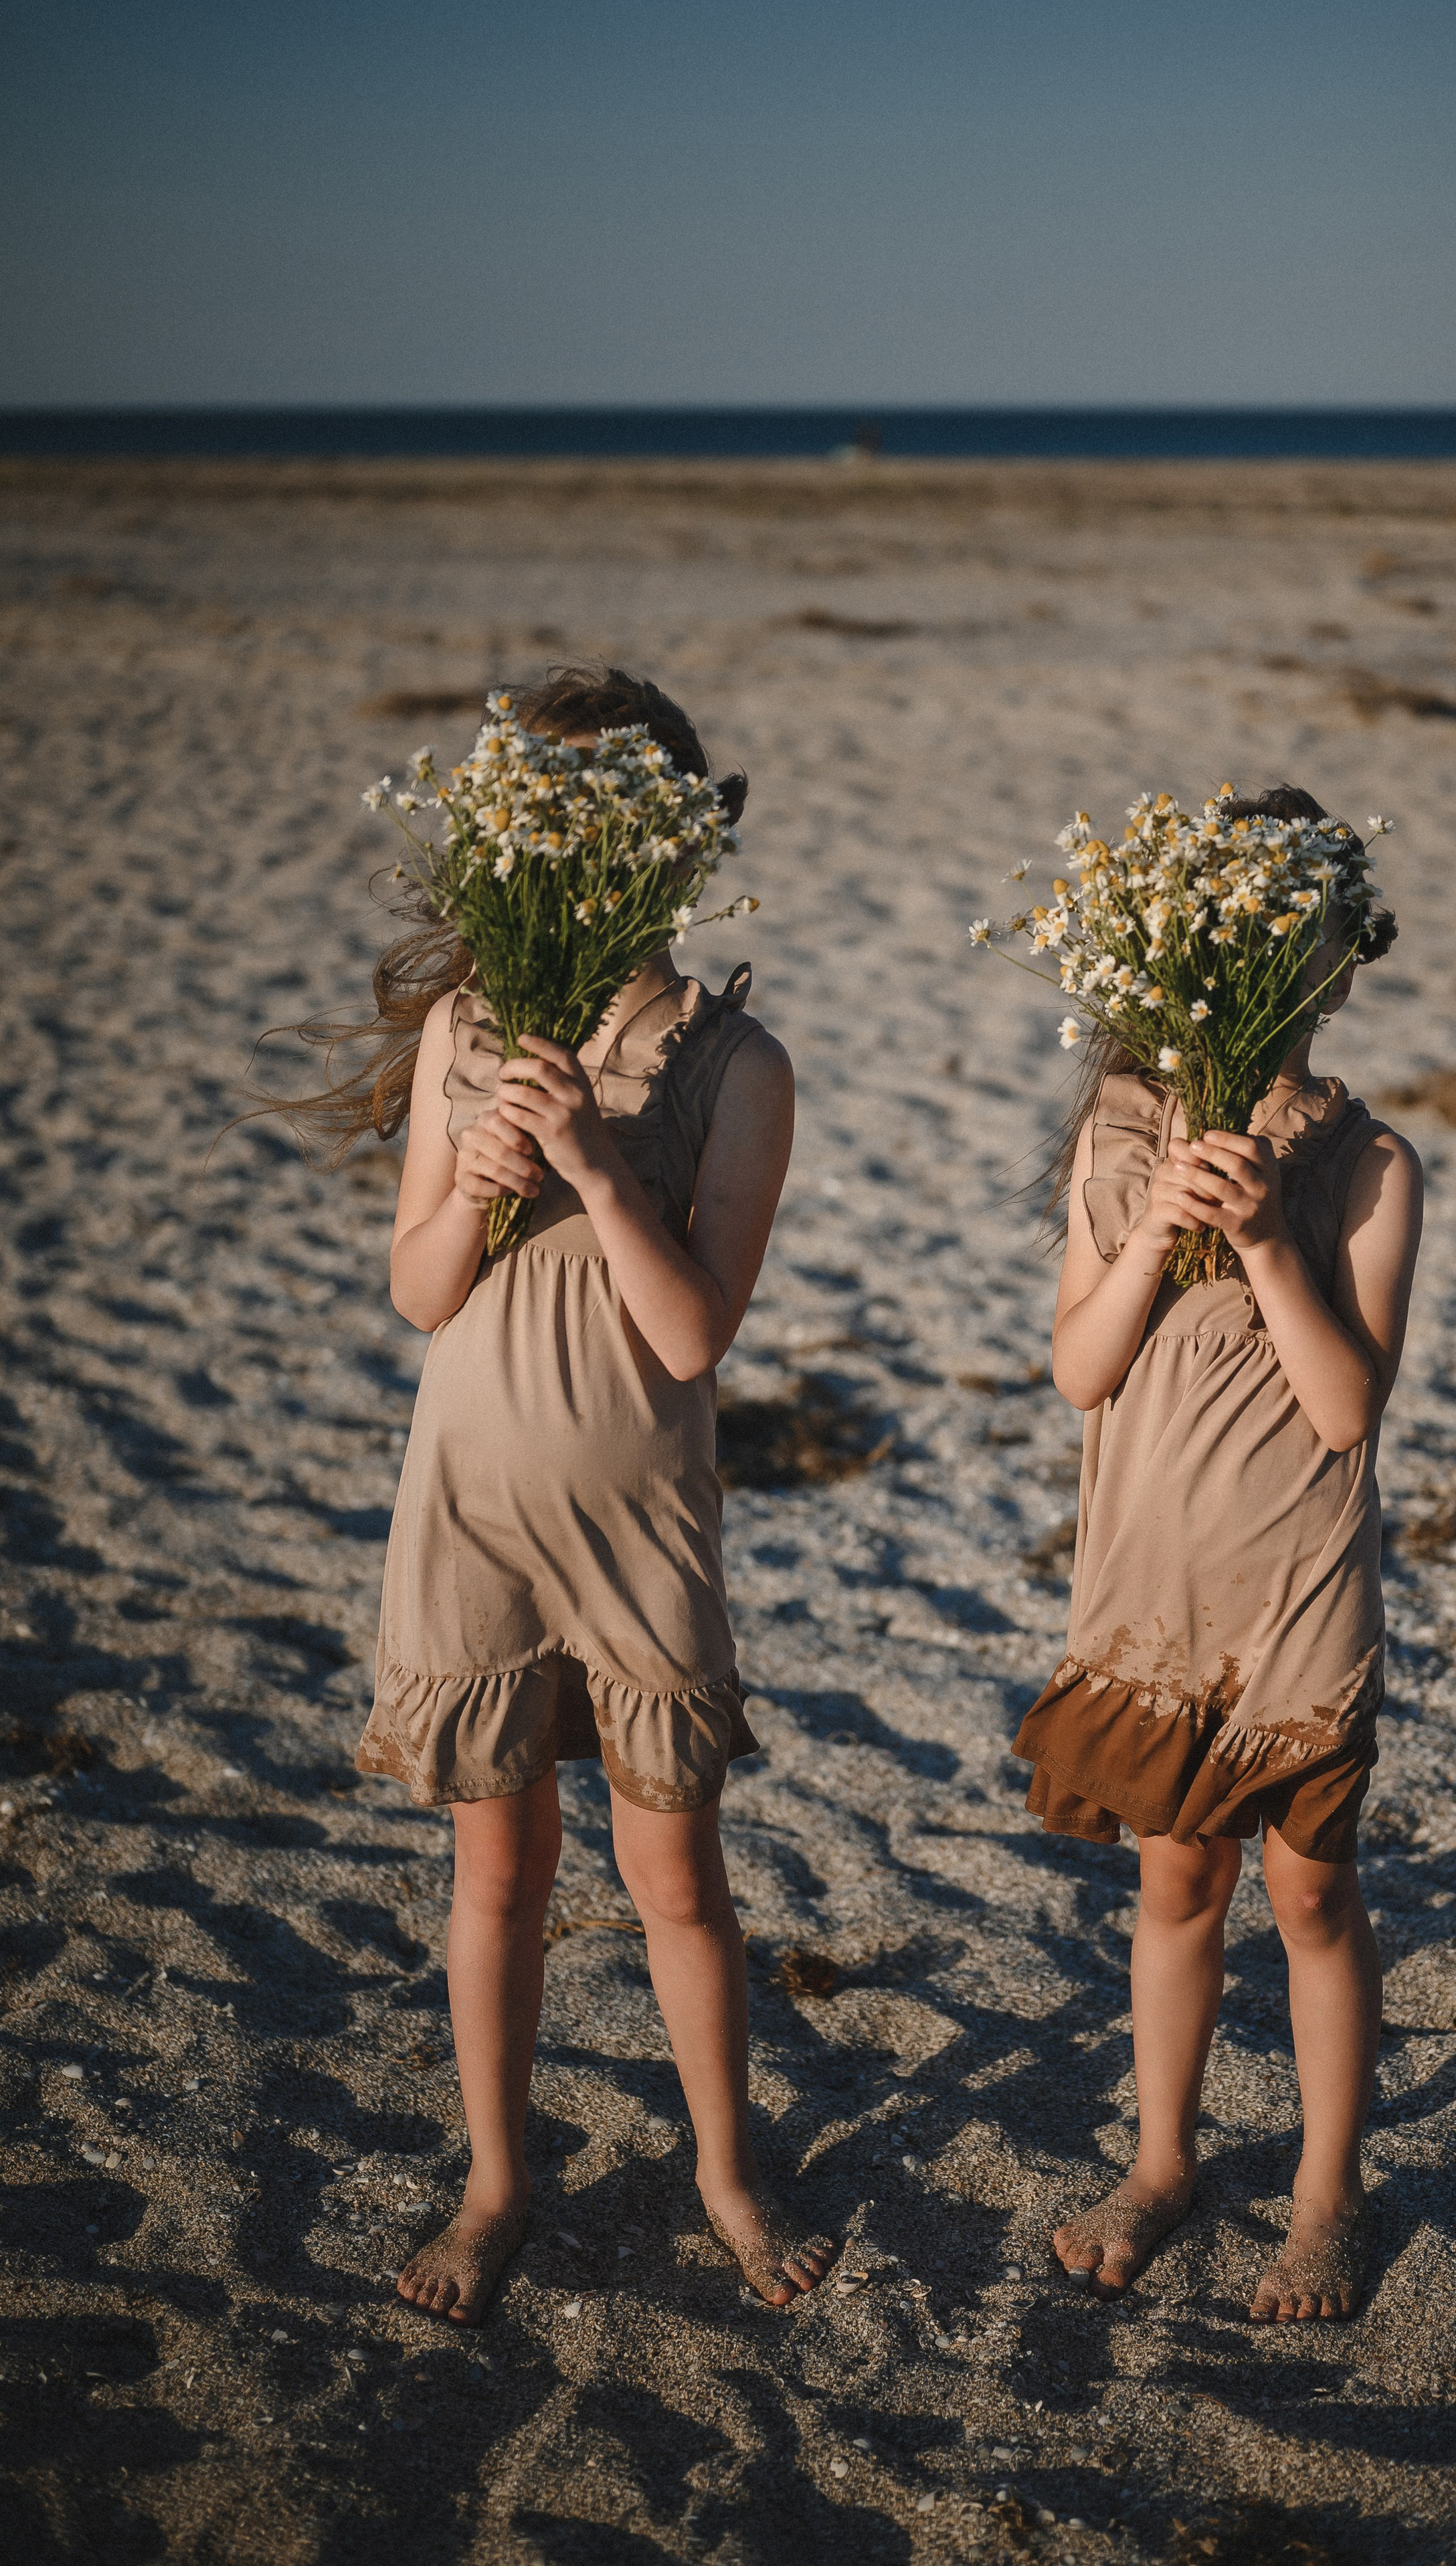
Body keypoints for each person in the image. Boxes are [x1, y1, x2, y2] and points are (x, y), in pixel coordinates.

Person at [268, 666, 834, 2323]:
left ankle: (726, 2176)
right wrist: (481, 1183)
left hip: (639, 1517)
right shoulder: (469, 1027)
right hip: (472, 1503)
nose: (566, 851)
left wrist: (591, 1162)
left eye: (601, 821)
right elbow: (419, 1289)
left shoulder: (737, 1062)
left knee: (675, 1883)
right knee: (496, 1879)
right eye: (539, 819)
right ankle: (497, 2181)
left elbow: (694, 1331)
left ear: (673, 842)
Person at [1013, 785, 1423, 2322]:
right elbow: (1080, 1368)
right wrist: (1147, 1232)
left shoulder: (1368, 1163)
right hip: (1152, 1585)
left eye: (1287, 936)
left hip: (1298, 1590)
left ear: (1334, 965)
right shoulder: (1122, 1132)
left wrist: (1259, 1240)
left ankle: (1325, 2195)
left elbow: (1343, 1406)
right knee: (1176, 1879)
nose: (1257, 962)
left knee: (1309, 1897)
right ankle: (1161, 2161)